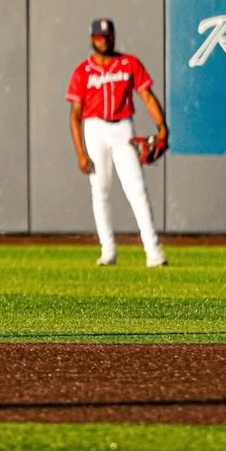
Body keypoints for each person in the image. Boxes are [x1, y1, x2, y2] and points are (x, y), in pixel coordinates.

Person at [65, 17, 169, 267]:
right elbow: (75, 115)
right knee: (99, 189)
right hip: (94, 128)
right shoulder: (83, 71)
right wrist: (80, 152)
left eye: (108, 36)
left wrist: (162, 126)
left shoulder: (128, 63)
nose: (104, 40)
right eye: (100, 37)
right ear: (92, 39)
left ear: (114, 37)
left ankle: (153, 251)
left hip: (123, 127)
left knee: (136, 189)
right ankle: (108, 249)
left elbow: (147, 96)